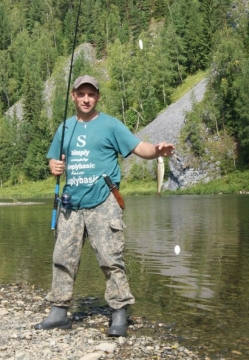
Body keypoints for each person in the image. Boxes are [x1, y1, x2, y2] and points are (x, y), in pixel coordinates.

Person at [35, 75, 175, 337]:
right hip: (70, 204)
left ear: (97, 96)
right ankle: (58, 312)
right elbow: (54, 161)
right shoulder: (64, 128)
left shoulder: (111, 125)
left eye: (91, 94)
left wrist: (157, 151)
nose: (86, 98)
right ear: (73, 96)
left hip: (104, 202)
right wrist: (53, 166)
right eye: (81, 94)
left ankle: (119, 314)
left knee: (111, 259)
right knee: (62, 258)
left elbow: (138, 147)